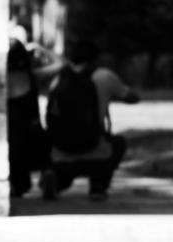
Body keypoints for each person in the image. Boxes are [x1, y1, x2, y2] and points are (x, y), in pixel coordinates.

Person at [41, 40, 140, 201]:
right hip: (96, 150)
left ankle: (56, 181)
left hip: (60, 151)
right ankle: (98, 186)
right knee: (118, 143)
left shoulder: (59, 79)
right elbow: (133, 98)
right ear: (96, 58)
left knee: (63, 171)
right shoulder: (104, 76)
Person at [7, 36, 62, 197]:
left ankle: (16, 186)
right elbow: (61, 65)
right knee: (44, 146)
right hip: (32, 130)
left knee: (14, 153)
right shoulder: (34, 76)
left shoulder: (0, 81)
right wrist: (41, 48)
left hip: (10, 134)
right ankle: (47, 173)